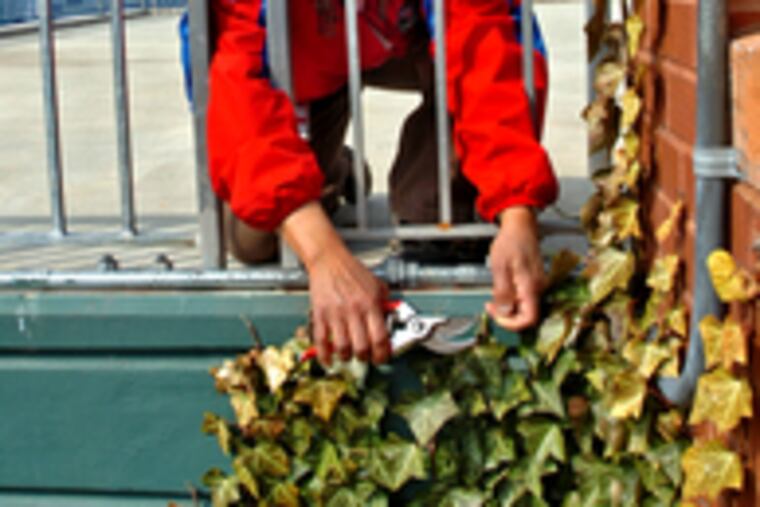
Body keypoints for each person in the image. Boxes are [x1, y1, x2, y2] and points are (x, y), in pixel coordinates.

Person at [207, 0, 559, 366]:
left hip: (414, 39)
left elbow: (484, 46)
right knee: (254, 240)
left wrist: (516, 210)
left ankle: (423, 175)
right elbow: (237, 84)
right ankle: (328, 171)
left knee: (441, 217)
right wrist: (323, 254)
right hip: (312, 53)